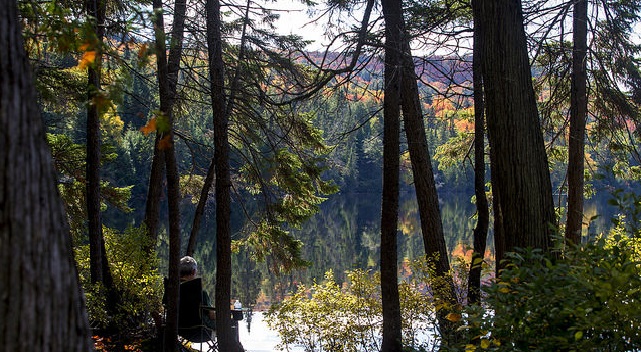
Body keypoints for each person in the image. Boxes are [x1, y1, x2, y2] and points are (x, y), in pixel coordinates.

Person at [179, 256, 216, 330]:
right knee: (229, 323)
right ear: (193, 271)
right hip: (200, 329)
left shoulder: (173, 290)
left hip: (179, 327)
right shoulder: (201, 293)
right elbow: (212, 316)